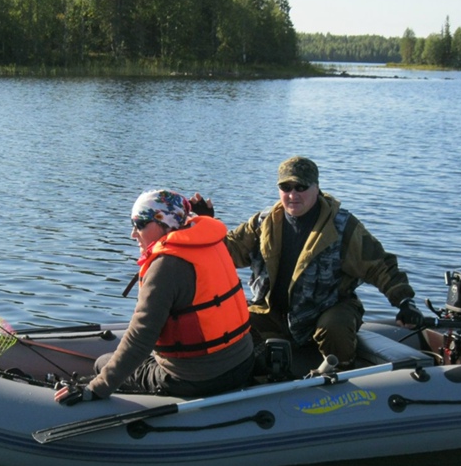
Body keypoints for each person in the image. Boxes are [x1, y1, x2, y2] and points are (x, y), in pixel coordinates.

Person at [191, 156, 422, 370]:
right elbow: (227, 252)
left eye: (301, 187)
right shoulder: (263, 222)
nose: (293, 195)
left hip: (329, 308)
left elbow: (379, 265)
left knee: (334, 328)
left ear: (316, 187)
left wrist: (405, 302)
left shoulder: (343, 226)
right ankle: (252, 376)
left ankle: (344, 377)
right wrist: (204, 224)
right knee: (232, 322)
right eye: (286, 187)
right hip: (274, 312)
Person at [55, 189, 254, 404]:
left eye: (140, 224)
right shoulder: (212, 243)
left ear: (166, 224)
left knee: (103, 363)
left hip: (198, 379)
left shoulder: (166, 266)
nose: (133, 234)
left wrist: (97, 387)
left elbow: (141, 337)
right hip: (242, 363)